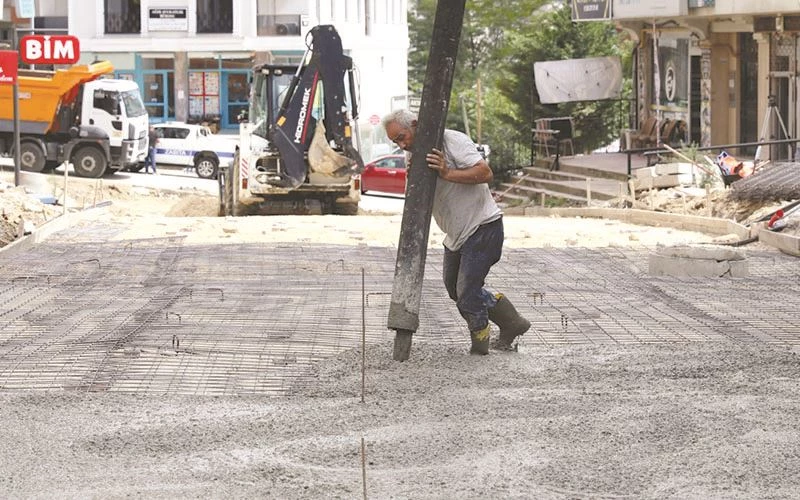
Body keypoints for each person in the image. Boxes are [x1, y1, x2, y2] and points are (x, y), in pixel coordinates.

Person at [382, 109, 530, 354]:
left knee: (467, 293)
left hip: (483, 226)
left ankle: (480, 346)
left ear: (417, 125)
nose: (402, 144)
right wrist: (416, 182)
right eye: (396, 142)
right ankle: (512, 322)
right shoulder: (416, 158)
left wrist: (447, 172)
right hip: (456, 236)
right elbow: (420, 201)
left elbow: (485, 173)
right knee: (455, 290)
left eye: (402, 136)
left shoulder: (452, 141)